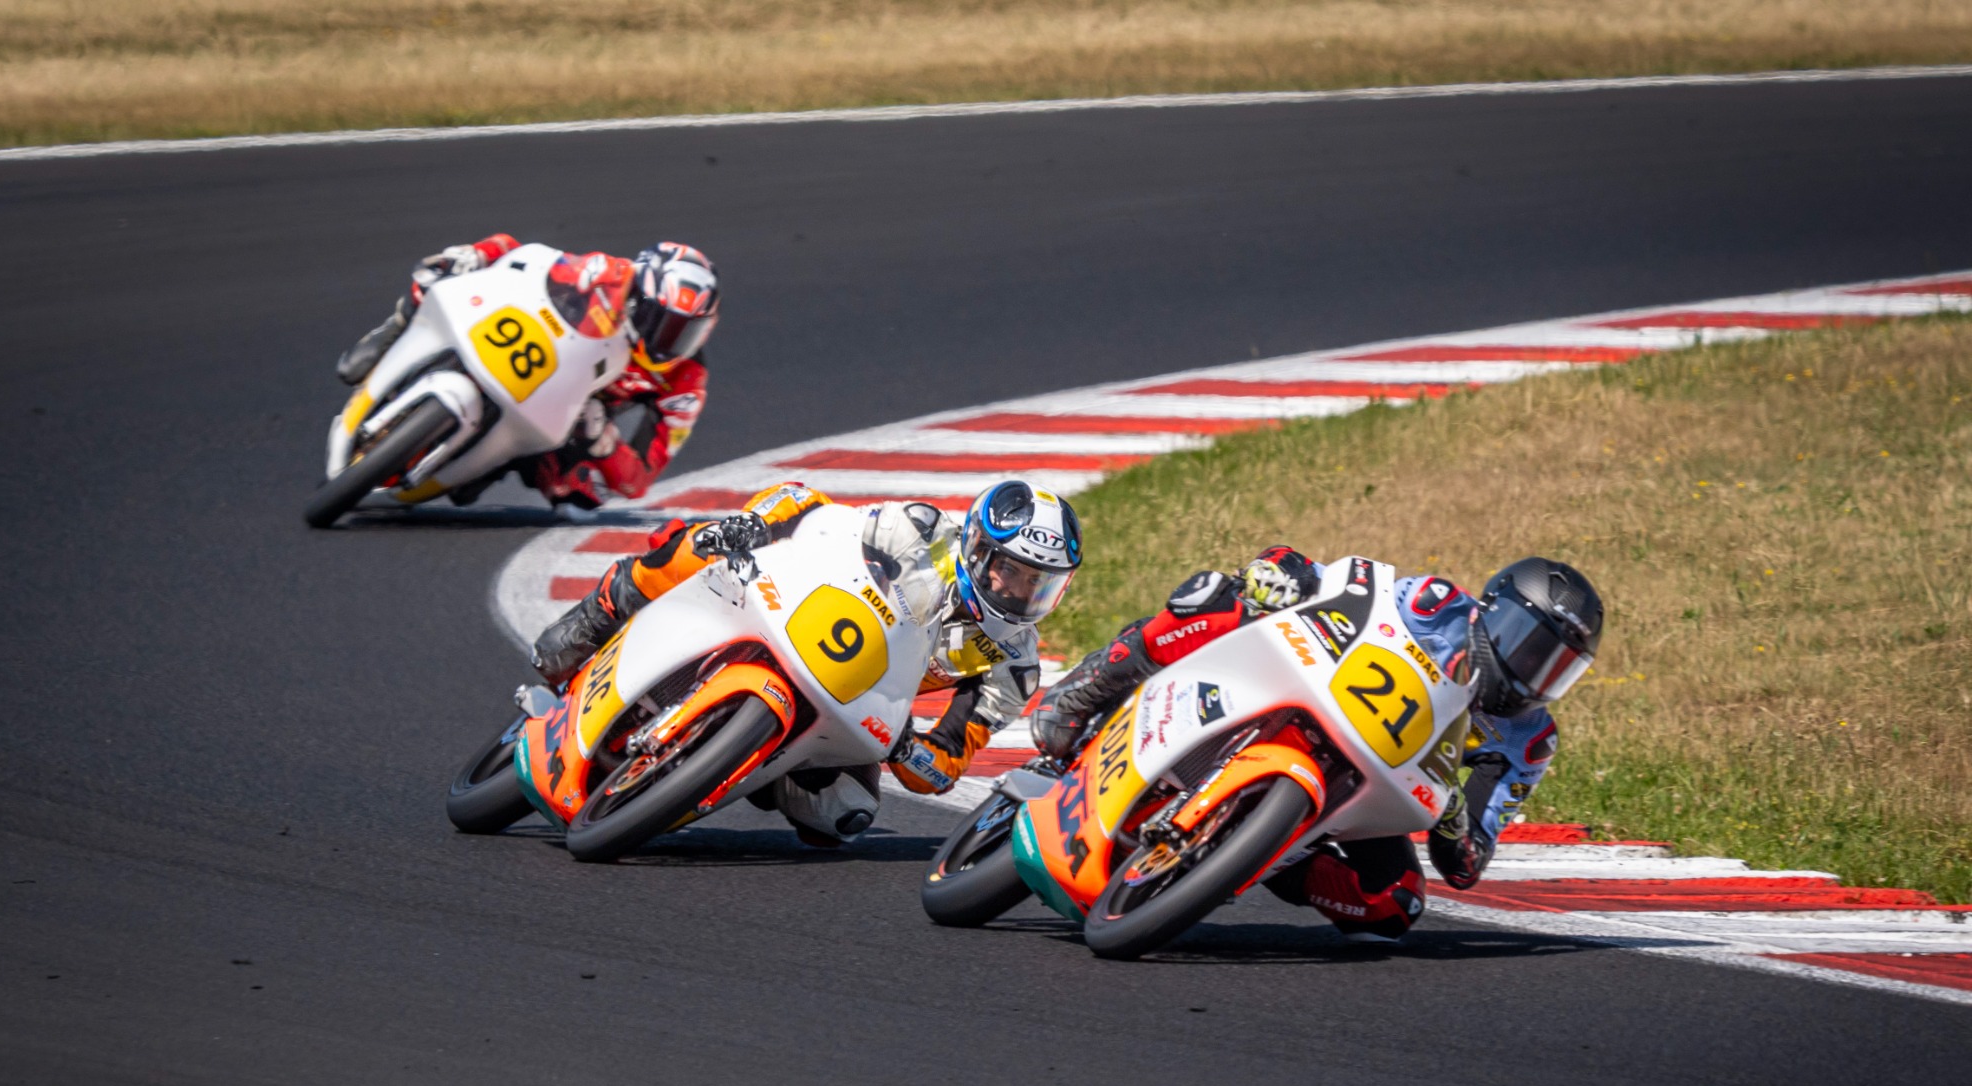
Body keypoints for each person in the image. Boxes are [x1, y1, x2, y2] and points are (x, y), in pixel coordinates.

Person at [1031, 553, 1603, 941]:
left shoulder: (1530, 742)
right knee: (1219, 598)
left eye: (1556, 668)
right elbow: (1349, 586)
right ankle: (1089, 690)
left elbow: (1467, 863)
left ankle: (1267, 853)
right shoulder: (1437, 603)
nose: (1532, 673)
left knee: (1396, 903)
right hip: (1317, 691)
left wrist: (1453, 814)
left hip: (1370, 781)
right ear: (1493, 612)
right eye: (1529, 648)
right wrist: (1287, 572)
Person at [530, 478, 1084, 845]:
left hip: (851, 701)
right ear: (978, 547)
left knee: (844, 816)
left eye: (1040, 584)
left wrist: (909, 750)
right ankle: (602, 611)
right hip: (795, 613)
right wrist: (755, 525)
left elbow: (950, 760)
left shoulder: (1014, 665)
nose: (1018, 591)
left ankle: (748, 767)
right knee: (700, 544)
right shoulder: (917, 528)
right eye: (1010, 570)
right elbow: (813, 509)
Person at [336, 234, 719, 508]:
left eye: (686, 331)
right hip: (532, 347)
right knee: (444, 270)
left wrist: (604, 442)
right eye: (662, 321)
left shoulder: (686, 381)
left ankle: (492, 459)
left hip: (568, 418)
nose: (669, 339)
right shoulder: (607, 274)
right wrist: (478, 254)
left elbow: (640, 479)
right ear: (640, 297)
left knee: (580, 493)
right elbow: (527, 256)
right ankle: (392, 329)